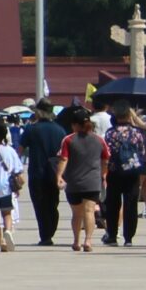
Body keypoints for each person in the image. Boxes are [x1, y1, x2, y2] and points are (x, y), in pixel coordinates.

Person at [100, 108, 146, 248]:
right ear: (129, 116)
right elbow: (142, 151)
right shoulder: (137, 133)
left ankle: (112, 235)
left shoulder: (110, 133)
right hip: (132, 172)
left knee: (113, 205)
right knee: (131, 204)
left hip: (114, 172)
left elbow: (106, 152)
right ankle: (128, 238)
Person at [59, 107, 105, 253]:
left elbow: (63, 159)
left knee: (77, 213)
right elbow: (105, 159)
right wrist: (104, 175)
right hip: (93, 181)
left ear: (75, 125)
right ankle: (88, 241)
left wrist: (59, 175)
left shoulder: (68, 140)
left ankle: (76, 240)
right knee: (89, 211)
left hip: (74, 182)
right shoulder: (99, 140)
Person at [19, 101, 65, 245]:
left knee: (40, 204)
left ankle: (45, 235)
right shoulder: (60, 130)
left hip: (37, 171)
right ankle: (50, 230)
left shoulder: (31, 129)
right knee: (53, 203)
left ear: (39, 112)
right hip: (55, 172)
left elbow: (20, 149)